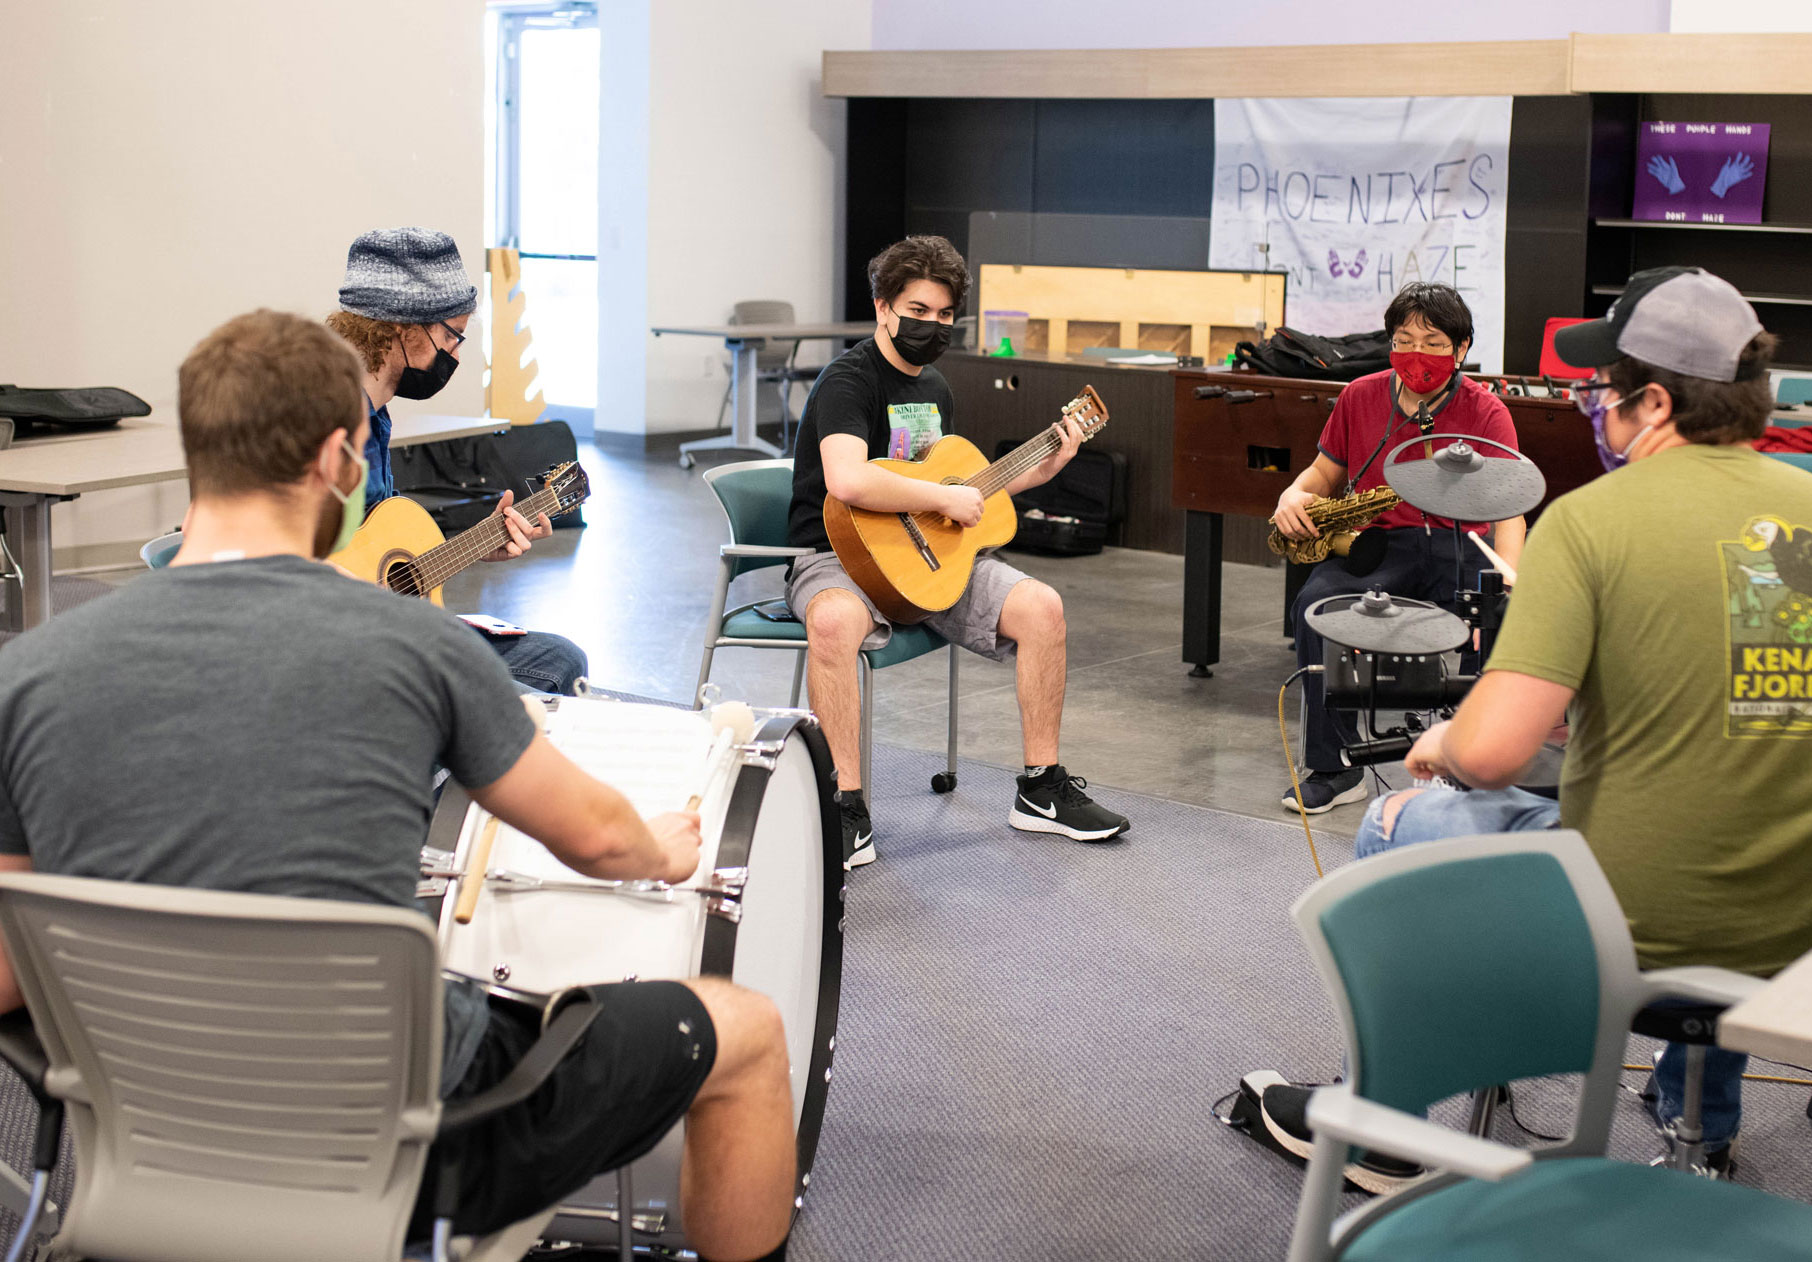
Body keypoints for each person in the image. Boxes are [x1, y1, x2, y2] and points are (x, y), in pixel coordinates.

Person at [0, 311, 795, 1261]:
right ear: (340, 458)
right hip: (415, 1149)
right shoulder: (419, 654)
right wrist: (664, 849)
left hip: (145, 1132)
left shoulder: (27, 677)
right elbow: (600, 841)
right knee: (746, 1031)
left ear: (197, 453)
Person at [1248, 268, 1812, 1178]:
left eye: (1603, 390)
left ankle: (1376, 1124)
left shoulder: (1591, 523)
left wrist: (1440, 741)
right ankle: (1703, 1130)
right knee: (1732, 813)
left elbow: (1489, 755)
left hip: (1649, 918)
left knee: (1397, 819)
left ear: (1653, 402)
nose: (1594, 407)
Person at [786, 235, 1129, 866]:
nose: (932, 326)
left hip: (928, 559)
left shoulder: (937, 389)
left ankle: (1040, 789)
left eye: (944, 316)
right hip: (836, 553)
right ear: (883, 307)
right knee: (833, 621)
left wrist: (1049, 460)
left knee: (1042, 606)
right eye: (918, 311)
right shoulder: (847, 380)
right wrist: (944, 501)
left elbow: (970, 490)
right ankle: (845, 807)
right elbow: (848, 480)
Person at [1270, 282, 1525, 815]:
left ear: (1461, 349)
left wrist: (1507, 579)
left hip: (1461, 541)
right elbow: (1323, 473)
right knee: (1316, 606)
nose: (1417, 353)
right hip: (1381, 544)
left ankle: (1474, 756)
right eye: (1404, 338)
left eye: (1433, 341)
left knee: (1499, 614)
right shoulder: (1360, 394)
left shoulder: (1487, 411)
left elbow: (1509, 509)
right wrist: (1292, 493)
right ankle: (1337, 767)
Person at [323, 227, 590, 695]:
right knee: (551, 671)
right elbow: (267, 555)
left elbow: (376, 549)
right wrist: (369, 603)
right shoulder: (324, 422)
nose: (457, 353)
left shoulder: (374, 416)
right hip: (345, 658)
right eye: (454, 335)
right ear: (404, 329)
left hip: (388, 639)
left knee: (561, 657)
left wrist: (479, 544)